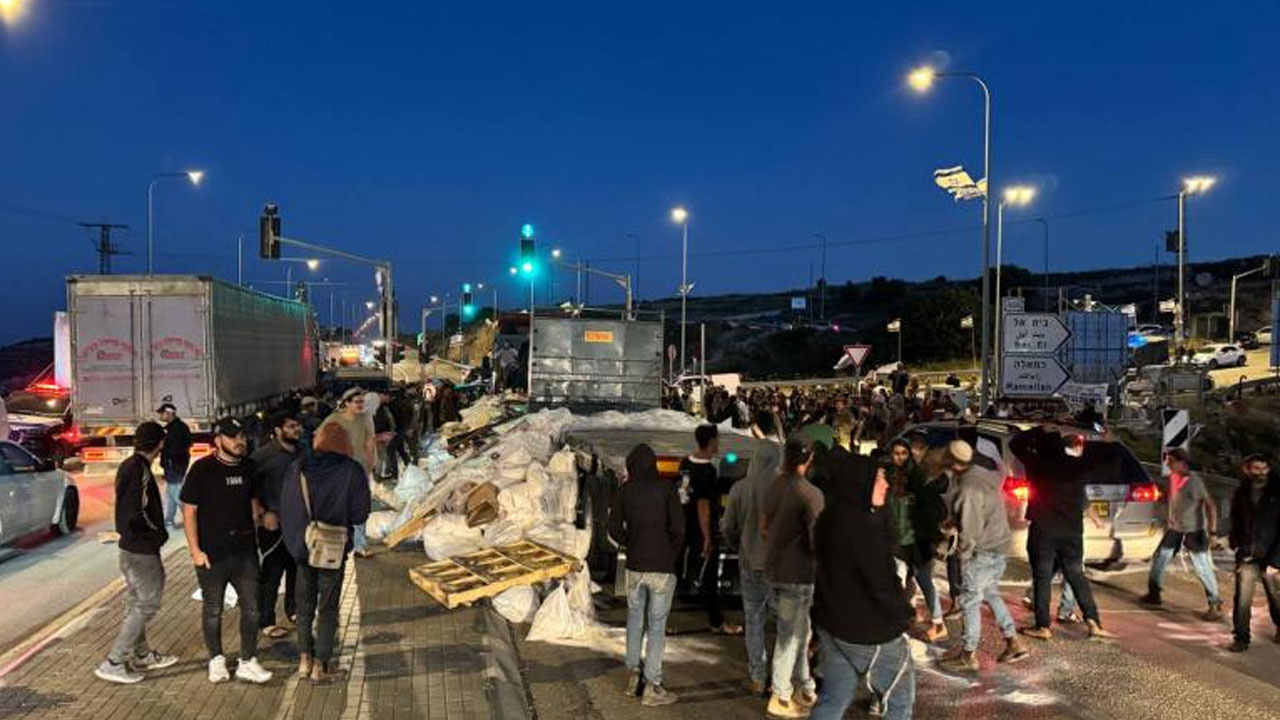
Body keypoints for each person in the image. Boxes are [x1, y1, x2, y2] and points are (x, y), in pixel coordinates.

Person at [811, 448, 915, 720]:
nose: (886, 484)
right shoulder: (863, 528)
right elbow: (881, 583)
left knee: (835, 696)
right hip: (869, 630)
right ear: (862, 482)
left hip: (832, 623)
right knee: (900, 697)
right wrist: (903, 614)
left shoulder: (831, 517)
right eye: (880, 477)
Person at [180, 417, 273, 685]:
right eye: (233, 437)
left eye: (242, 436)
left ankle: (247, 661)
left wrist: (262, 514)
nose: (239, 441)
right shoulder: (202, 469)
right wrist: (195, 550)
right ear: (218, 440)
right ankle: (216, 660)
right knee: (213, 609)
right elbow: (189, 511)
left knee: (252, 608)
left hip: (245, 551)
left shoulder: (249, 467)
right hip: (212, 553)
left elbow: (254, 501)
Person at [280, 422, 371, 681]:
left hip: (302, 548)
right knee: (328, 607)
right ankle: (321, 665)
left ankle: (304, 660)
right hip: (333, 548)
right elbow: (360, 513)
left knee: (304, 604)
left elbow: (287, 507)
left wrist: (296, 542)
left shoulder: (297, 467)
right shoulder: (351, 470)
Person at [1011, 427, 1115, 641]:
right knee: (1076, 575)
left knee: (1042, 578)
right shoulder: (1078, 466)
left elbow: (1016, 444)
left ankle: (1043, 627)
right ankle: (1093, 622)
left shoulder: (1038, 464)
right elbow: (1106, 459)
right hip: (1072, 532)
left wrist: (1040, 429)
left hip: (1044, 529)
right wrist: (1107, 441)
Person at [94, 422, 179, 684]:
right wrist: (158, 534)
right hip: (141, 549)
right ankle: (115, 661)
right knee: (147, 603)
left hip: (130, 548)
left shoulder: (129, 466)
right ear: (159, 444)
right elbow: (137, 511)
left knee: (136, 602)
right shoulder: (139, 470)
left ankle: (141, 654)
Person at [608, 444, 684, 707]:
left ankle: (634, 675)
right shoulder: (666, 489)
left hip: (635, 567)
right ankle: (653, 685)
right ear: (653, 465)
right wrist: (669, 553)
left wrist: (631, 543)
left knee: (635, 620)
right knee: (657, 626)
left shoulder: (625, 491)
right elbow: (679, 528)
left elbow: (613, 528)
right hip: (662, 569)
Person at [941, 439, 1028, 671]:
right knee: (991, 593)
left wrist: (963, 553)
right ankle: (1012, 641)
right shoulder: (980, 475)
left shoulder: (968, 486)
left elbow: (971, 528)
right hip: (998, 546)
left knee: (970, 600)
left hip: (982, 551)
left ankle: (968, 654)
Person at [762, 437, 824, 719]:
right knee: (790, 636)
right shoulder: (810, 494)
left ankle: (804, 686)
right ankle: (781, 695)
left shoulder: (773, 487)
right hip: (798, 573)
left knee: (799, 633)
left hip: (774, 568)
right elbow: (816, 541)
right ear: (809, 460)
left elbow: (764, 527)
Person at [721, 441, 782, 697]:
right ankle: (780, 681)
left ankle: (757, 677)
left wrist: (739, 546)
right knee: (783, 625)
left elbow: (728, 527)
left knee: (754, 621)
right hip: (780, 568)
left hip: (750, 563)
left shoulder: (740, 488)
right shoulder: (785, 489)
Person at [1140, 448, 1224, 619]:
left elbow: (1210, 505)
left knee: (1202, 567)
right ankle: (1154, 594)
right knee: (1160, 558)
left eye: (1171, 461)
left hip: (1194, 529)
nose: (1168, 464)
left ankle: (1215, 603)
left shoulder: (1194, 482)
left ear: (1182, 463)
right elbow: (1171, 500)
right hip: (1175, 528)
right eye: (1168, 460)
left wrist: (1212, 532)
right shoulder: (1173, 478)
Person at [678, 424, 741, 636]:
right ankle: (717, 621)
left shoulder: (685, 463)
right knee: (709, 576)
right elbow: (703, 504)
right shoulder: (707, 471)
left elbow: (684, 494)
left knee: (678, 571)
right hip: (700, 528)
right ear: (712, 441)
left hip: (683, 523)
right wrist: (707, 537)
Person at [889, 438, 948, 642]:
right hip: (898, 538)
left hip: (917, 539)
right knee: (900, 579)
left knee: (924, 580)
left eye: (903, 453)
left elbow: (931, 506)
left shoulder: (917, 477)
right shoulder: (888, 475)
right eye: (896, 453)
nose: (900, 457)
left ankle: (938, 623)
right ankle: (908, 614)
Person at [251, 411, 303, 641]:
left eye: (297, 426)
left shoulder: (303, 452)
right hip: (273, 526)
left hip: (299, 523)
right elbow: (249, 490)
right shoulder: (262, 457)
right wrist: (263, 513)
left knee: (296, 570)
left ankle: (294, 610)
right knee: (272, 572)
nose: (296, 430)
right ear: (278, 430)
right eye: (291, 426)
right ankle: (266, 620)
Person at [1227, 453, 1280, 652]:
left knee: (1275, 596)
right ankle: (1241, 638)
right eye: (1256, 468)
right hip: (1248, 553)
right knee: (1242, 598)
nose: (1260, 472)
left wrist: (1276, 561)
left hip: (1272, 553)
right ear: (1248, 469)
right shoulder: (1241, 492)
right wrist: (1237, 546)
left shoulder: (1277, 491)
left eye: (1264, 468)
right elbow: (1235, 521)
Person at [318, 388, 376, 556]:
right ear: (347, 403)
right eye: (356, 402)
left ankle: (360, 545)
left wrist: (370, 466)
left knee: (361, 506)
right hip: (338, 470)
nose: (360, 405)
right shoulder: (334, 419)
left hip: (359, 469)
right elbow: (320, 440)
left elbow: (369, 442)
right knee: (338, 504)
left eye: (361, 401)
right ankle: (335, 541)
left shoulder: (365, 419)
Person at [157, 403, 193, 527]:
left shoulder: (176, 429)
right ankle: (168, 520)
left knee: (175, 492)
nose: (160, 415)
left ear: (169, 414)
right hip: (175, 464)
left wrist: (169, 461)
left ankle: (190, 519)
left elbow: (173, 449)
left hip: (174, 464)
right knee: (170, 493)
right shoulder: (177, 427)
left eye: (162, 413)